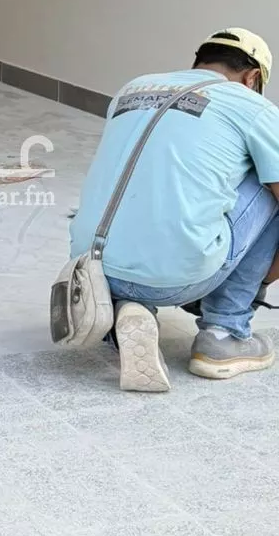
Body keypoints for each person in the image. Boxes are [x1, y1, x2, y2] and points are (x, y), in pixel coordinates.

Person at [69, 28, 279, 392]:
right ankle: (224, 332)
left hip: (90, 269)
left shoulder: (133, 88)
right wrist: (259, 281)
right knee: (269, 183)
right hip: (175, 278)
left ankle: (123, 309)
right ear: (252, 78)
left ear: (199, 63)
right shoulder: (252, 106)